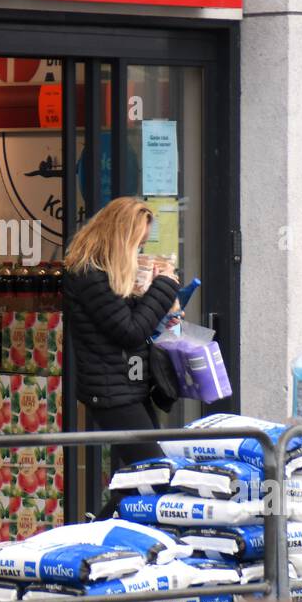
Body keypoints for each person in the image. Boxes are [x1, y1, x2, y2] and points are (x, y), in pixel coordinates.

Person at [65, 196, 181, 470]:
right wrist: (163, 288)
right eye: (138, 243)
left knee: (142, 478)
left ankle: (105, 515)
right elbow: (130, 331)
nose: (140, 249)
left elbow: (131, 323)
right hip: (111, 394)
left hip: (128, 388)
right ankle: (103, 515)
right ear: (121, 237)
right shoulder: (89, 274)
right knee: (153, 473)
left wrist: (162, 306)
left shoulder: (107, 272)